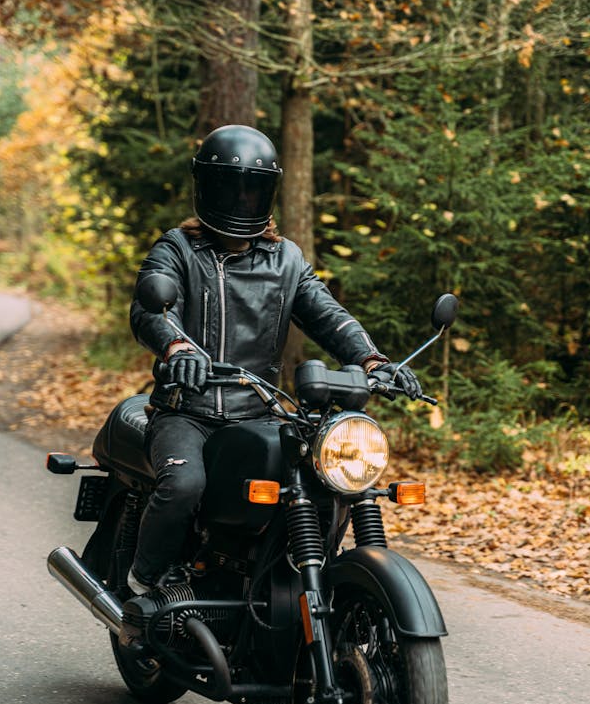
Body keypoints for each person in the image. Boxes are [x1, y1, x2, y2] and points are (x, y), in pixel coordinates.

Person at [126, 124, 421, 594]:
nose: (241, 199)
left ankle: (299, 581)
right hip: (187, 411)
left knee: (324, 482)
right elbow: (150, 310)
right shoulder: (178, 248)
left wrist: (371, 360)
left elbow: (328, 315)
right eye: (230, 187)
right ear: (207, 186)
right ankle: (144, 580)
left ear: (269, 193)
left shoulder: (286, 259)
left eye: (253, 189)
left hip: (260, 413)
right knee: (184, 486)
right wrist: (176, 347)